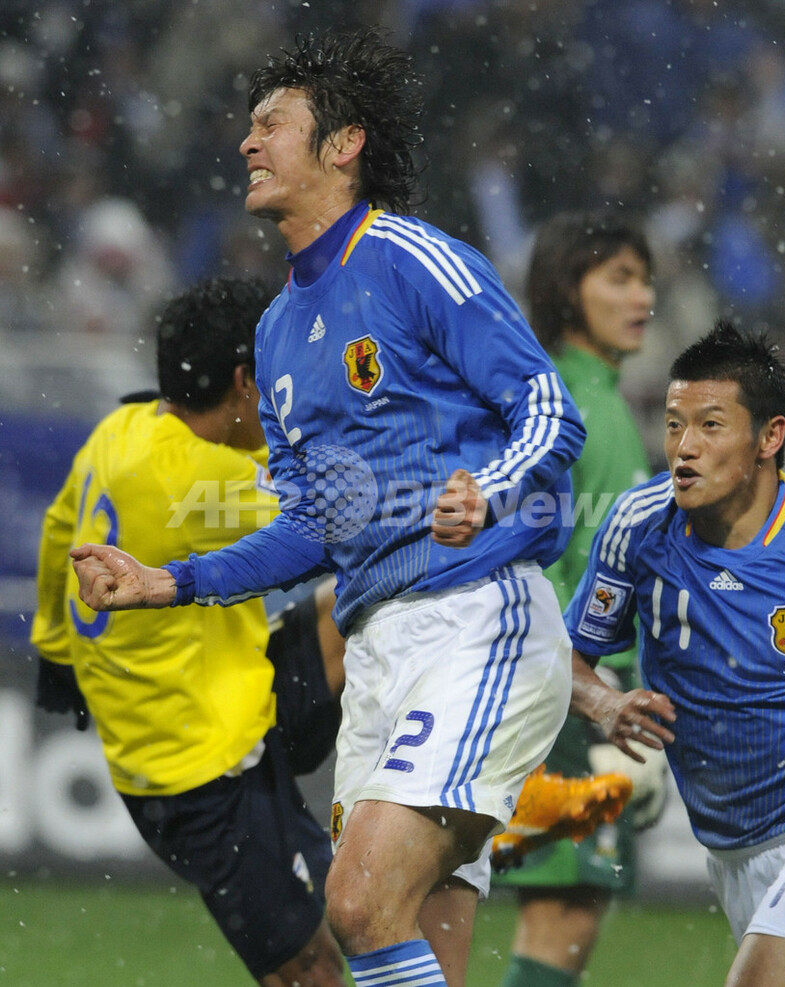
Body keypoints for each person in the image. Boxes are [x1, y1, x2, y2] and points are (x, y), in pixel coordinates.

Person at [68, 28, 589, 987]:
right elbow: (313, 525)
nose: (247, 143)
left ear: (343, 145)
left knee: (354, 902)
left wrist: (489, 490)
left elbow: (549, 408)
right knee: (413, 940)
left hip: (474, 618)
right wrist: (168, 582)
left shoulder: (411, 258)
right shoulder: (276, 333)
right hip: (377, 651)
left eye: (271, 124)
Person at [31, 276, 348, 987]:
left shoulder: (122, 430)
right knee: (310, 969)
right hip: (203, 775)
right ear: (243, 381)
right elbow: (345, 517)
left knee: (364, 603)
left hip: (229, 697)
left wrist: (55, 650)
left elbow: (58, 531)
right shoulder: (204, 482)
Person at [563, 320, 785, 987]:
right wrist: (605, 703)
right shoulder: (638, 525)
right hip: (732, 852)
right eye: (674, 425)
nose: (684, 447)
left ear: (770, 437)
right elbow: (566, 658)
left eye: (710, 425)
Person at [492, 211, 668, 987]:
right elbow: (541, 563)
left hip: (576, 689)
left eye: (645, 280)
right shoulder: (571, 403)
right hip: (569, 695)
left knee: (565, 912)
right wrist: (594, 698)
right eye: (620, 278)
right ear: (568, 289)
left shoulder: (593, 397)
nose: (643, 298)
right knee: (562, 914)